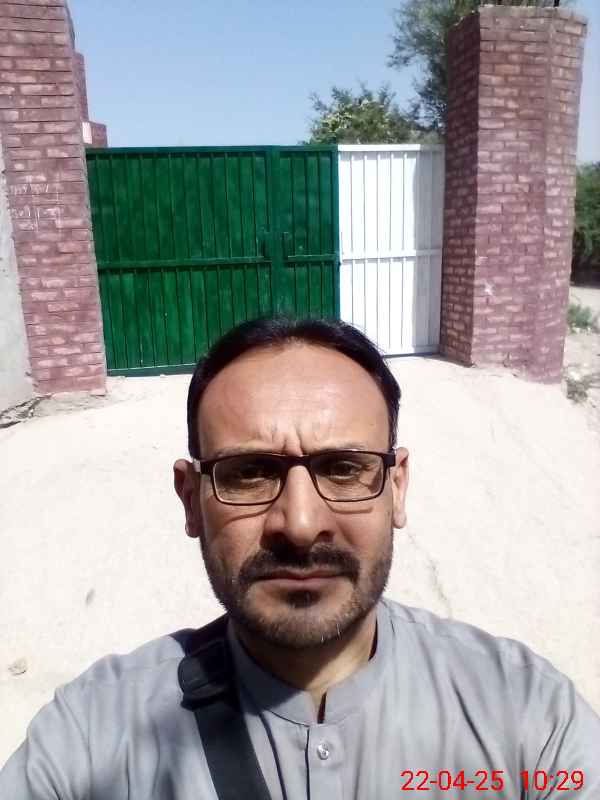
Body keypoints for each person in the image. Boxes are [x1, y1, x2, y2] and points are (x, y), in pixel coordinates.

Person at [1, 314, 599, 799]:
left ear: (397, 489)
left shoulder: (529, 720)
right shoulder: (91, 737)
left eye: (343, 469)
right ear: (190, 500)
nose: (302, 525)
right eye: (250, 472)